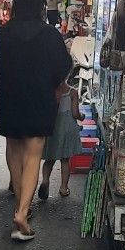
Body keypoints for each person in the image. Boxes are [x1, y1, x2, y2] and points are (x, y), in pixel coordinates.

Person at [0, 0, 72, 241]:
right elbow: (62, 69)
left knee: (15, 151)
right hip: (39, 100)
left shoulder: (4, 33)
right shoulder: (49, 35)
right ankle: (22, 214)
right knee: (33, 154)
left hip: (10, 100)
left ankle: (21, 206)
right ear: (40, 2)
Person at [38, 71, 84, 200]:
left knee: (49, 159)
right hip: (67, 129)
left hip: (52, 129)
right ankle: (64, 188)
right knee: (65, 160)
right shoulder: (72, 92)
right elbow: (75, 113)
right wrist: (82, 117)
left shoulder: (49, 91)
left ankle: (45, 181)